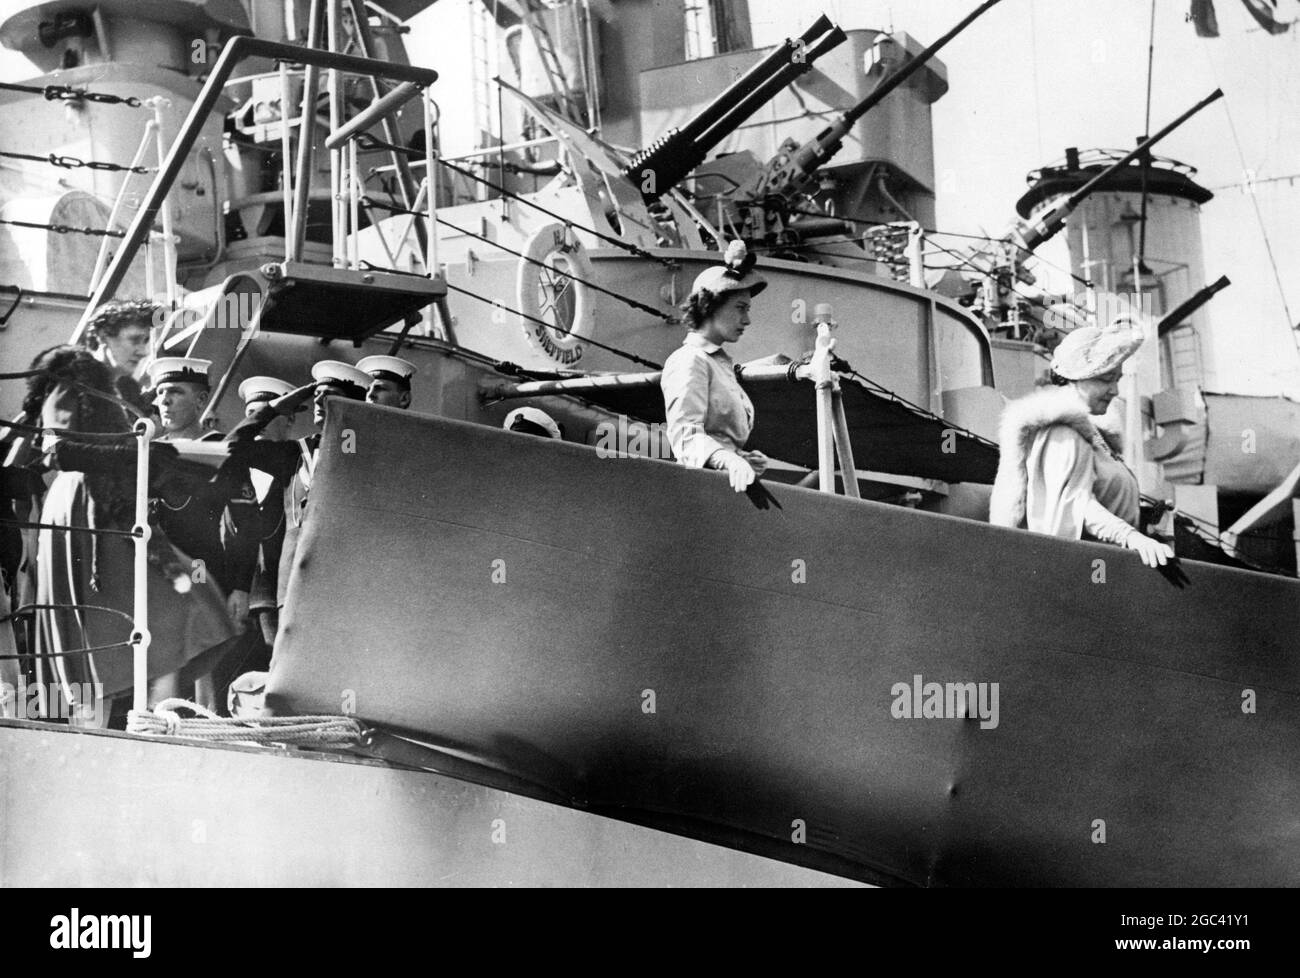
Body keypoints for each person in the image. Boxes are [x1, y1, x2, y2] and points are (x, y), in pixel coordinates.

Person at [23, 346, 234, 725]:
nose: (142, 347)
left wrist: (153, 463)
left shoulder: (112, 391)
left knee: (183, 602)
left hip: (105, 507)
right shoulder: (75, 379)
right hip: (86, 509)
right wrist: (136, 456)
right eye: (134, 337)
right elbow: (57, 450)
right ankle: (102, 724)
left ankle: (151, 716)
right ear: (104, 338)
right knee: (103, 627)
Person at [988, 321, 1175, 569]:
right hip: (1077, 575)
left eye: (1117, 379)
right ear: (1076, 378)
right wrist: (1130, 537)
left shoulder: (1094, 435)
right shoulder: (1061, 433)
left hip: (1103, 569)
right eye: (1106, 379)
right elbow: (1077, 506)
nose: (1114, 390)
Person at [660, 240, 770, 492]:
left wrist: (742, 458)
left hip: (719, 488)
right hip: (699, 492)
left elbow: (716, 436)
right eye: (740, 308)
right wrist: (726, 459)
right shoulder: (689, 360)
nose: (747, 320)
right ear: (711, 305)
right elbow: (685, 437)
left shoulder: (719, 365)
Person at [81, 298, 156, 417]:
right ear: (103, 336)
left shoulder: (129, 391)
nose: (143, 352)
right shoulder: (75, 381)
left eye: (145, 341)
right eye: (134, 340)